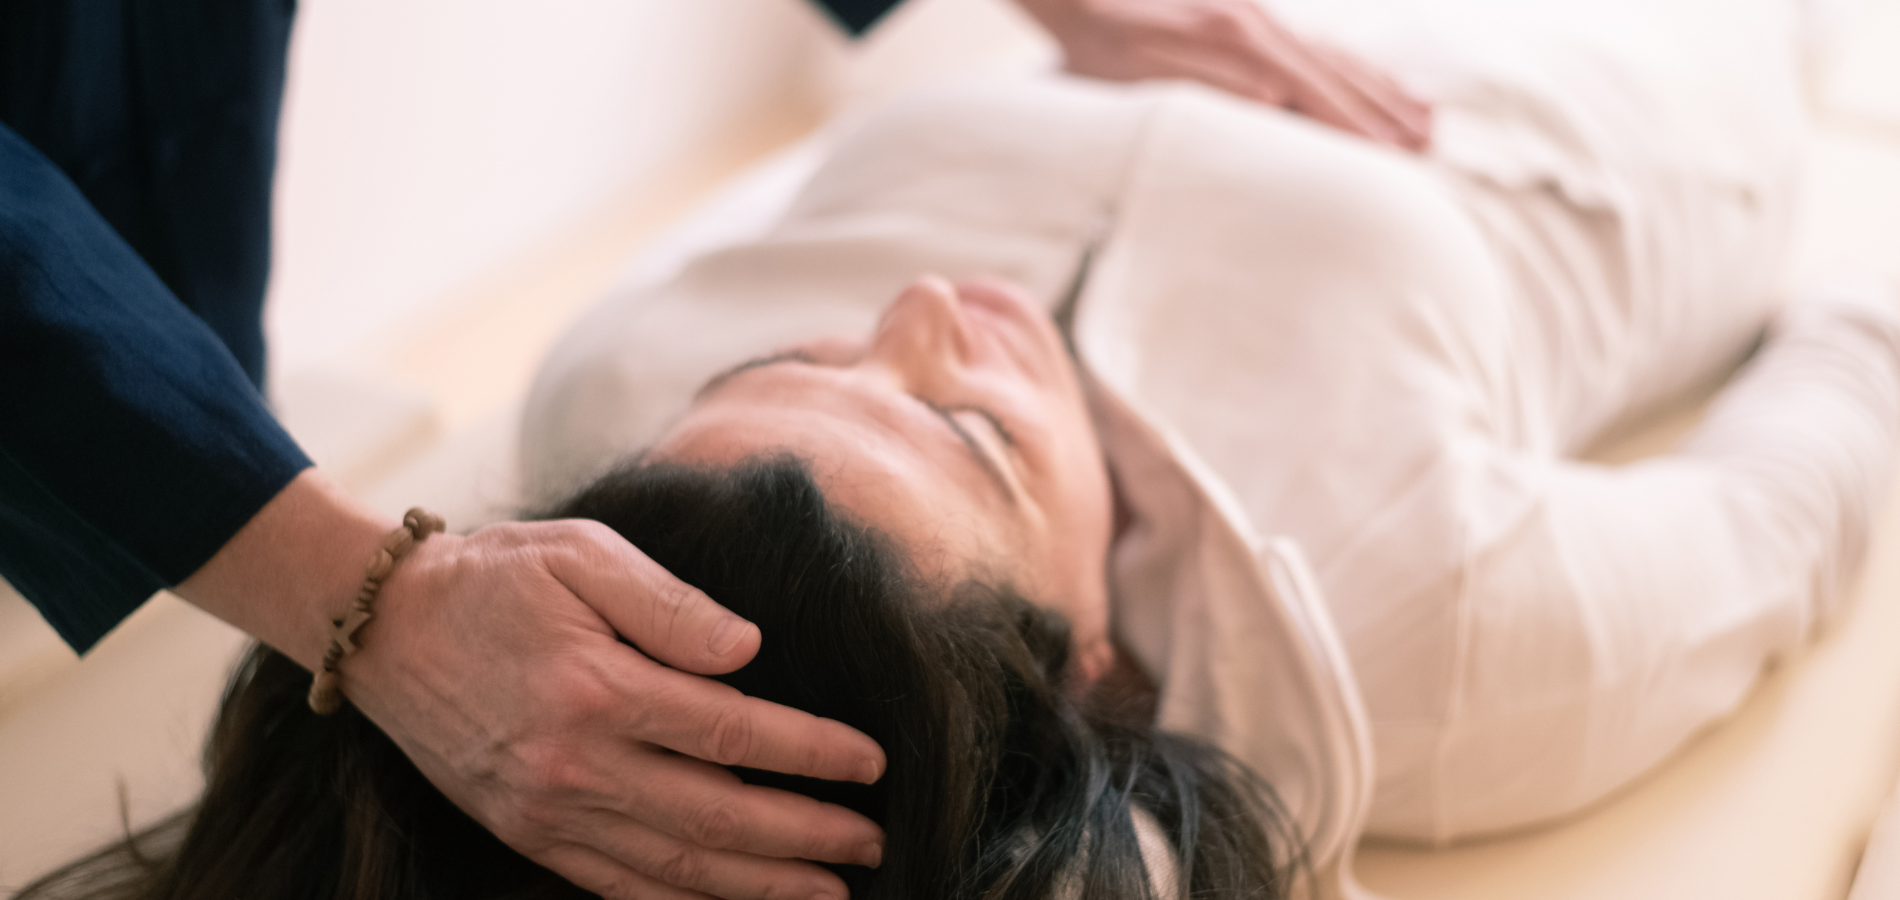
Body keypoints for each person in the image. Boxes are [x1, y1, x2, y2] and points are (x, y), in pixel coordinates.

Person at [24, 0, 1899, 896]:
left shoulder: (620, 405)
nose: (933, 302)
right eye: (966, 425)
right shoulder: (1432, 642)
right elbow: (1813, 456)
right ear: (1080, 657)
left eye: (802, 353)